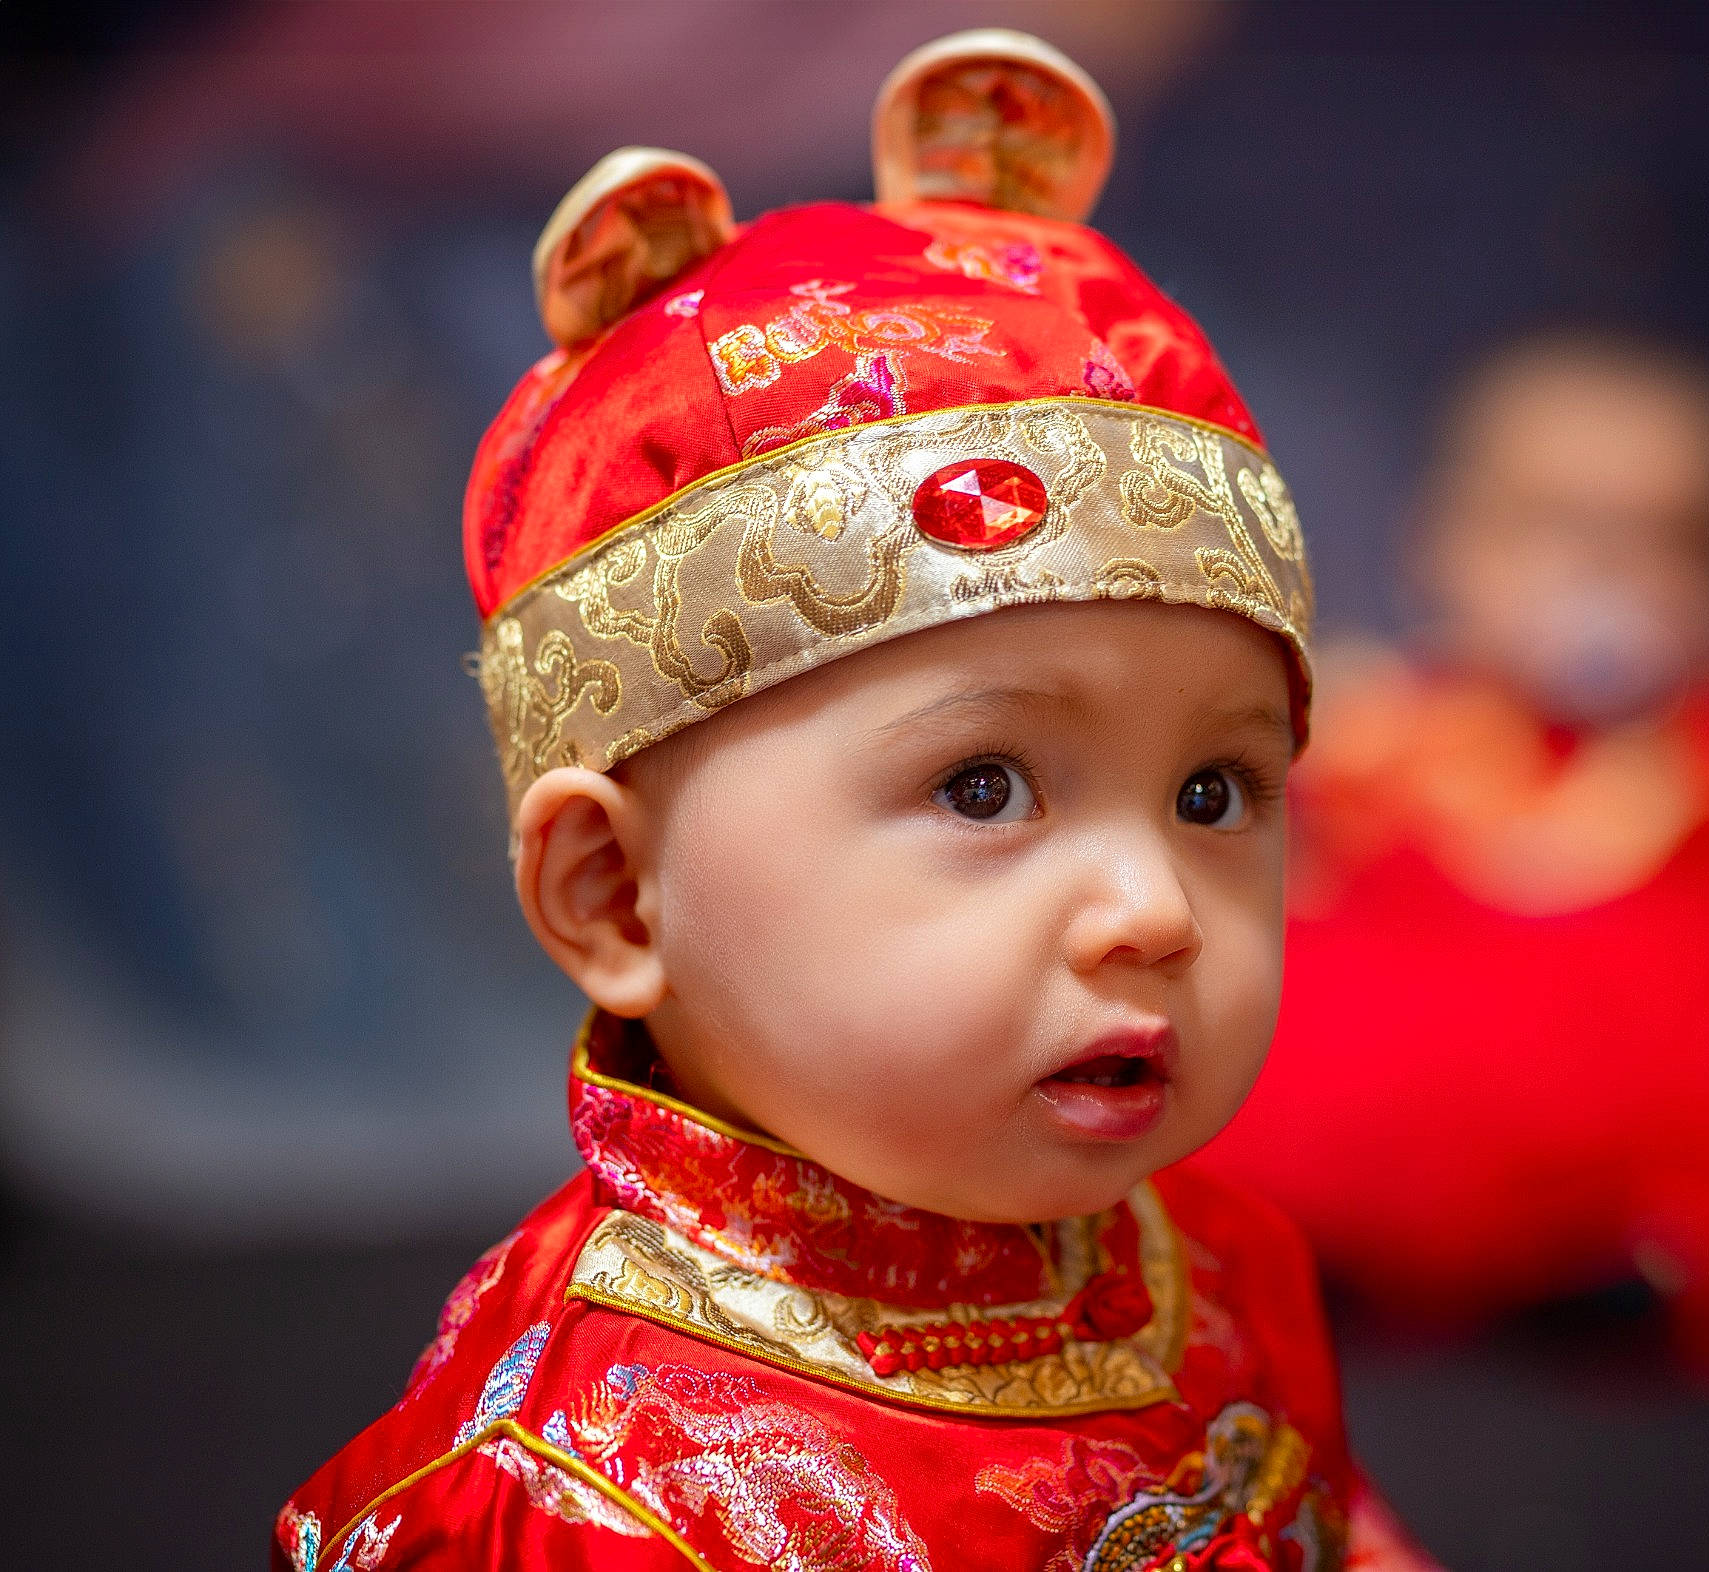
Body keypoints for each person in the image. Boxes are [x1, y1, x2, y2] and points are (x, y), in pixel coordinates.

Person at [275, 31, 1433, 1572]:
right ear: (616, 896)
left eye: (1214, 791)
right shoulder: (596, 1490)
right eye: (983, 785)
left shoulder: (1214, 1268)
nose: (1155, 909)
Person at [1196, 326, 1709, 1370]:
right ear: (1440, 541)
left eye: (1668, 539)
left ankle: (1662, 1259)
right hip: (1428, 1060)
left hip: (1686, 1067)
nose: (1602, 571)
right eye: (1547, 527)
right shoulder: (1380, 728)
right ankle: (1331, 1241)